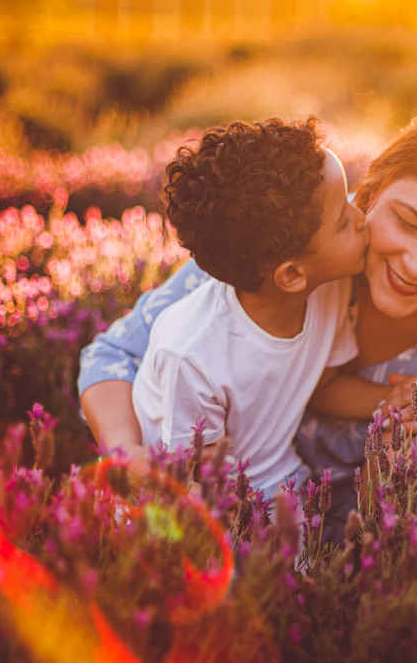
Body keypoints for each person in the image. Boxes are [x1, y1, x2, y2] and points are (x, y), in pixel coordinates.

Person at [79, 97, 417, 530]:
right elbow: (113, 356)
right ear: (374, 187)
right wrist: (127, 454)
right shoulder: (288, 238)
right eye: (407, 222)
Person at [126, 117, 368, 500]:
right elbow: (197, 472)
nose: (362, 217)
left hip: (285, 477)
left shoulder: (326, 287)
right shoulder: (192, 354)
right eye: (343, 221)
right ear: (291, 276)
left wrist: (400, 397)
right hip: (209, 497)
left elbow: (324, 384)